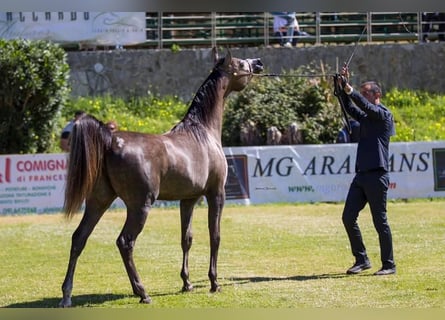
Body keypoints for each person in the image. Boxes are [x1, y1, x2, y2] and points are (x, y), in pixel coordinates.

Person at [337, 67, 396, 276]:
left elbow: (364, 107)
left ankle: (389, 265)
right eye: (361, 93)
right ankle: (362, 259)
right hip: (361, 175)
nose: (363, 96)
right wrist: (341, 88)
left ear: (377, 95)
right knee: (348, 217)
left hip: (377, 176)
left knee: (380, 222)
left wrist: (350, 90)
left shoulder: (384, 116)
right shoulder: (366, 117)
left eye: (366, 93)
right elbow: (351, 108)